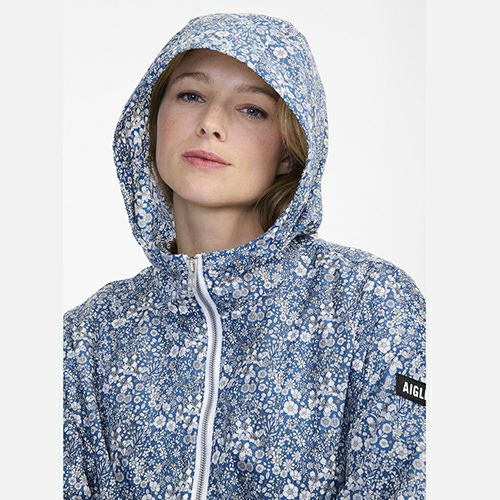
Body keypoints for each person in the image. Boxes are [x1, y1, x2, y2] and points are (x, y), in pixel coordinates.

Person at [63, 12, 426, 499]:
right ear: (152, 122)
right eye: (191, 95)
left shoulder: (371, 306)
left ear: (288, 150)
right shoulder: (88, 337)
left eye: (252, 109)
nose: (210, 124)